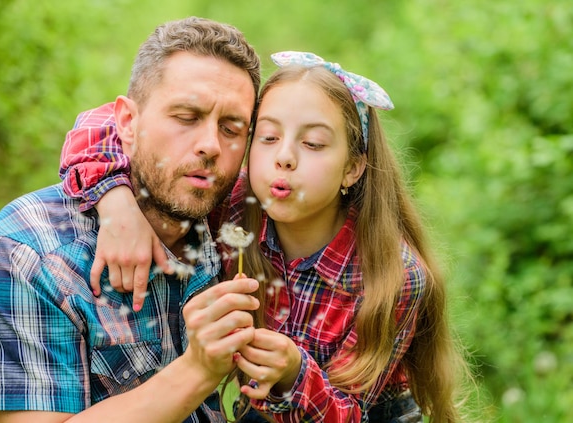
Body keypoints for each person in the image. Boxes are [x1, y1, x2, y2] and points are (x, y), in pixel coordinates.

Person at [57, 50, 471, 422]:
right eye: (268, 137)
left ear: (353, 168)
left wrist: (295, 372)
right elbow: (101, 124)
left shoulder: (391, 275)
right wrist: (117, 203)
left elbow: (351, 412)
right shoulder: (234, 204)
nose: (284, 157)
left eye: (313, 143)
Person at [0, 16, 264, 423]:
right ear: (128, 123)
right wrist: (198, 369)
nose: (210, 145)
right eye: (186, 117)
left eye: (231, 128)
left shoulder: (227, 223)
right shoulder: (26, 254)